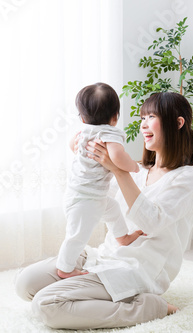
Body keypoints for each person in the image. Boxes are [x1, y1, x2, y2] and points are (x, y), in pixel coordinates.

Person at [15, 92, 193, 330]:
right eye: (142, 117)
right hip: (105, 256)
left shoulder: (187, 178)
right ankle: (94, 291)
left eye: (151, 116)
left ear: (178, 123)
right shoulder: (138, 170)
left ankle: (149, 307)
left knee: (46, 306)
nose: (143, 124)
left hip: (138, 270)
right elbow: (98, 199)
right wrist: (87, 157)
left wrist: (118, 170)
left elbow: (152, 223)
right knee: (25, 283)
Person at [57, 82, 141, 280]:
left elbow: (73, 146)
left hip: (86, 195)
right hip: (86, 200)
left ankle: (123, 237)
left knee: (113, 210)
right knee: (77, 235)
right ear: (115, 117)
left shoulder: (83, 131)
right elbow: (118, 157)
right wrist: (134, 166)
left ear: (83, 117)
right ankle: (65, 268)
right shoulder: (110, 133)